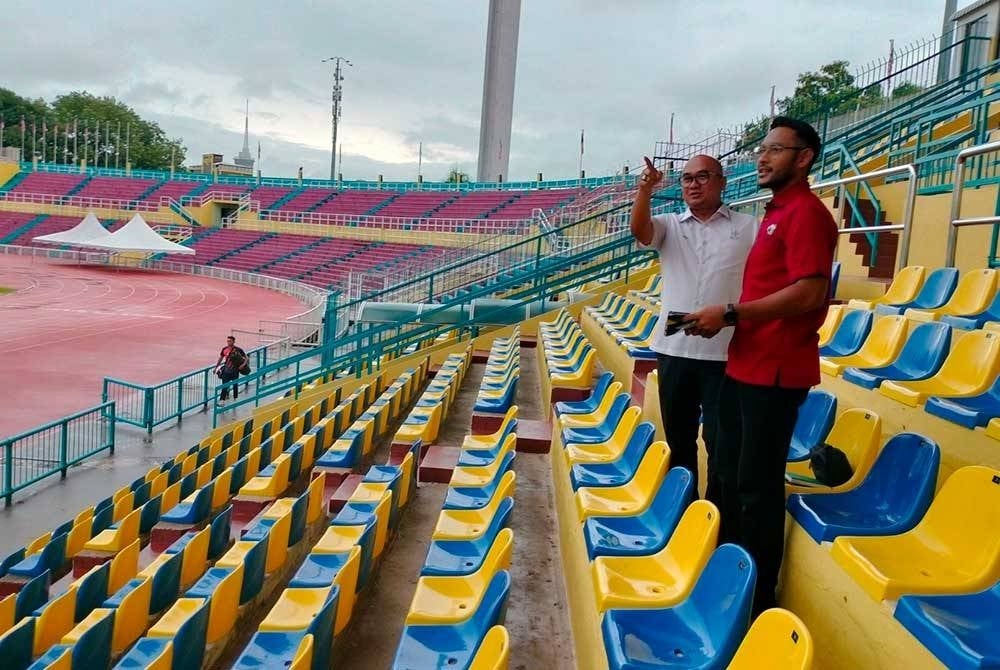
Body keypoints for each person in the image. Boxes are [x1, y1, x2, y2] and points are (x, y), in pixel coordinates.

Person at [685, 116, 838, 615]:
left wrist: (731, 313)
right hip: (744, 364)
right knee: (730, 475)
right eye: (761, 149)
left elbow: (810, 292)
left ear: (804, 157)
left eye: (775, 149)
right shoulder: (777, 212)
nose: (762, 158)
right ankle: (728, 576)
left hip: (775, 372)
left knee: (757, 486)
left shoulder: (807, 215)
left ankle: (754, 600)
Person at [629, 154, 757, 499]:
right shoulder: (669, 225)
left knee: (722, 442)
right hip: (674, 349)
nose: (694, 185)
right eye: (687, 178)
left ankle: (716, 514)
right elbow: (639, 231)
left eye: (703, 177)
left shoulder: (748, 227)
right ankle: (683, 508)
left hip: (725, 352)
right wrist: (645, 190)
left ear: (722, 182)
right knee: (679, 440)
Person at [215, 335, 247, 404]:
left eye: (230, 341)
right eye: (227, 341)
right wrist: (216, 367)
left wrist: (242, 365)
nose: (228, 342)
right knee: (224, 385)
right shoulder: (224, 349)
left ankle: (235, 398)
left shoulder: (238, 349)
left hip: (235, 371)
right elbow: (220, 358)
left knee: (235, 385)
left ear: (233, 341)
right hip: (226, 371)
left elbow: (246, 358)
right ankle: (222, 400)